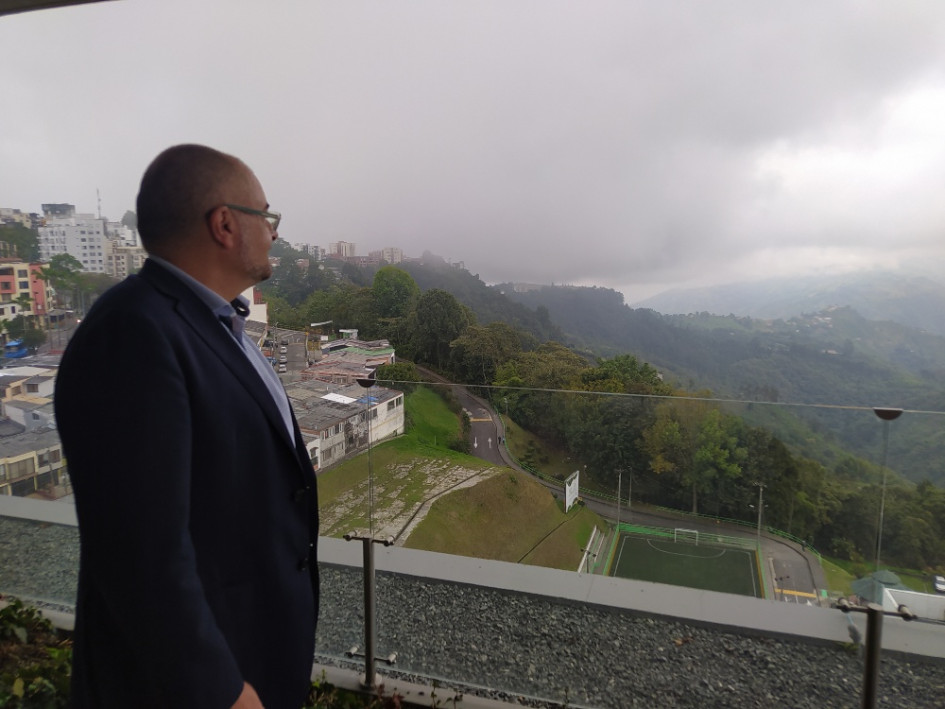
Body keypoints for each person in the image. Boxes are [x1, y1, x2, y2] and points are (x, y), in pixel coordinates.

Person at [55, 144, 319, 709]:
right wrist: (219, 689)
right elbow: (139, 550)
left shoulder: (216, 325)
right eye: (266, 218)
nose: (273, 233)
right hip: (188, 686)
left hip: (249, 654)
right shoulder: (133, 334)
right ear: (225, 224)